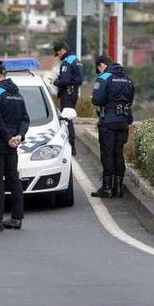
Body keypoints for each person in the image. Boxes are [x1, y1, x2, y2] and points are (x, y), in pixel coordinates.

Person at [0, 61, 30, 232]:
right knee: (13, 180)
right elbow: (25, 119)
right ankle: (17, 218)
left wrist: (8, 137)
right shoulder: (17, 94)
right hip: (12, 145)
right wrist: (19, 136)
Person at [90, 55, 134, 198]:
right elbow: (131, 100)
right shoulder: (128, 79)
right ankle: (118, 188)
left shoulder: (104, 77)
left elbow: (97, 99)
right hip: (123, 121)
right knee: (118, 152)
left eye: (98, 68)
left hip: (108, 121)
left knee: (107, 153)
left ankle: (107, 188)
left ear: (102, 65)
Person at [53, 41, 83, 155]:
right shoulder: (76, 60)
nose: (59, 56)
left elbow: (64, 81)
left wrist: (55, 81)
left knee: (66, 120)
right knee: (68, 118)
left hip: (68, 93)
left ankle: (71, 146)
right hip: (73, 92)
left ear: (62, 50)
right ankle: (72, 145)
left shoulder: (67, 62)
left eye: (58, 54)